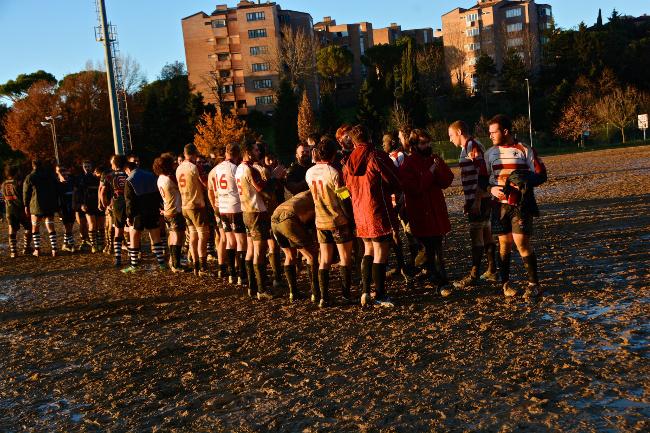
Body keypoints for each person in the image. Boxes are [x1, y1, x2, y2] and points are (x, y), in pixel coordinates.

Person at [485, 114, 547, 299]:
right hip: (499, 206)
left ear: (505, 131)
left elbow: (542, 175)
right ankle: (505, 285)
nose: (490, 136)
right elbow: (482, 180)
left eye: (493, 132)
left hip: (521, 205)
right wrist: (491, 189)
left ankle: (534, 284)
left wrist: (526, 179)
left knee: (521, 242)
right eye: (489, 133)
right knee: (504, 244)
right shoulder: (489, 154)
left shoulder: (525, 149)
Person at [344, 125, 401, 307]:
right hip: (377, 208)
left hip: (359, 211)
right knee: (380, 252)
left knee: (367, 250)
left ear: (352, 142)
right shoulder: (376, 156)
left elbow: (346, 189)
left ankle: (365, 291)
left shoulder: (348, 162)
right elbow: (393, 178)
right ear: (370, 137)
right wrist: (391, 190)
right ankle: (380, 294)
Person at [399, 129, 455, 296]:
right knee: (429, 249)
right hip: (420, 214)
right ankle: (438, 281)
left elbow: (447, 180)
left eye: (428, 142)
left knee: (434, 249)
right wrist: (430, 171)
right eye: (423, 143)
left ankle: (430, 276)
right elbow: (415, 188)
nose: (427, 145)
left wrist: (437, 169)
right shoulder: (408, 164)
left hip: (436, 210)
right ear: (414, 145)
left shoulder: (434, 159)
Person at [448, 120, 498, 288]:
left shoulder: (471, 146)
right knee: (486, 234)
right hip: (480, 199)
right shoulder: (469, 146)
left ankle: (474, 274)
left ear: (460, 132)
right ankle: (492, 270)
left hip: (480, 200)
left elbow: (482, 174)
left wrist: (475, 200)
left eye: (451, 135)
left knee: (476, 236)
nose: (450, 139)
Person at [306, 137, 354, 308]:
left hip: (320, 220)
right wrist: (351, 217)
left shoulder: (309, 172)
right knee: (345, 257)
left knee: (324, 259)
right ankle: (345, 294)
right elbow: (343, 198)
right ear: (333, 154)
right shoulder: (334, 173)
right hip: (337, 220)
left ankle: (324, 297)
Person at [235, 141, 285, 300]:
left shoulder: (239, 169)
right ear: (248, 152)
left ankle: (252, 286)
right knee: (259, 250)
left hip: (246, 211)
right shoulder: (250, 169)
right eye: (256, 150)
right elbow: (264, 191)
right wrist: (275, 178)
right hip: (256, 212)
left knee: (251, 249)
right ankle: (261, 288)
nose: (259, 152)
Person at [271, 190, 319, 302]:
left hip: (275, 216)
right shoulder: (318, 197)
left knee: (289, 255)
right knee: (311, 255)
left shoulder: (303, 194)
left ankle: (293, 292)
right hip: (289, 219)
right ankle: (316, 293)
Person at [210, 143, 246, 285]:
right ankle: (242, 274)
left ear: (226, 152)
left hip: (222, 207)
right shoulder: (235, 169)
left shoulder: (217, 168)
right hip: (235, 207)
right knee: (241, 242)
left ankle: (231, 273)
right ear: (237, 154)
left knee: (230, 241)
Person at [122, 161, 166, 272]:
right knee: (156, 236)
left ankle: (134, 265)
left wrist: (129, 216)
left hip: (138, 212)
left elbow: (129, 201)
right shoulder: (151, 175)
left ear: (128, 169)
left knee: (134, 237)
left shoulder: (129, 180)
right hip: (152, 209)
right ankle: (161, 263)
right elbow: (158, 193)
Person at [176, 143, 211, 276]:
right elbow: (205, 183)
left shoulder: (179, 168)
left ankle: (195, 264)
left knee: (193, 235)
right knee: (203, 235)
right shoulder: (195, 167)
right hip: (197, 205)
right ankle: (203, 267)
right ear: (194, 153)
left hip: (185, 205)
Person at [154, 153, 186, 273]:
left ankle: (172, 261)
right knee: (178, 237)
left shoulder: (160, 179)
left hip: (167, 210)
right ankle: (176, 264)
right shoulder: (170, 178)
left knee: (172, 236)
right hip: (175, 210)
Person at [23, 160, 60, 257]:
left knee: (35, 228)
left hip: (36, 206)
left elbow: (26, 193)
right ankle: (54, 250)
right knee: (51, 227)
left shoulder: (30, 177)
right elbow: (57, 188)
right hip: (49, 205)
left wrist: (26, 206)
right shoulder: (50, 176)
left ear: (33, 166)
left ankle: (37, 250)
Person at [103, 155, 129, 267]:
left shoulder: (109, 176)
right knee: (131, 229)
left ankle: (118, 258)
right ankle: (134, 256)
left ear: (115, 164)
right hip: (129, 202)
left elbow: (103, 190)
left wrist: (105, 204)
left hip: (117, 202)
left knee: (118, 231)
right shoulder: (128, 174)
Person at [1, 163, 32, 257]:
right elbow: (25, 195)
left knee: (12, 229)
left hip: (9, 209)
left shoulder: (3, 184)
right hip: (20, 209)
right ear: (16, 172)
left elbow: (2, 197)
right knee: (29, 228)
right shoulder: (19, 182)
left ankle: (13, 252)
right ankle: (26, 248)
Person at [79, 160, 103, 253]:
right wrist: (82, 204)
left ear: (91, 167)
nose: (87, 168)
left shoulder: (97, 177)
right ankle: (94, 245)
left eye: (88, 166)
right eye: (85, 166)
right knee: (92, 224)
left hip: (98, 202)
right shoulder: (81, 178)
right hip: (88, 203)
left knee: (101, 224)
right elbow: (79, 193)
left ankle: (101, 243)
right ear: (82, 167)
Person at [55, 164, 77, 252]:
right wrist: (59, 210)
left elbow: (74, 193)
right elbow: (57, 199)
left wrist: (74, 203)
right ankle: (71, 244)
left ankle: (65, 244)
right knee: (67, 226)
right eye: (63, 175)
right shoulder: (57, 185)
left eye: (66, 175)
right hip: (63, 209)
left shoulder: (70, 183)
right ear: (59, 175)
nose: (65, 176)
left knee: (70, 226)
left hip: (71, 207)